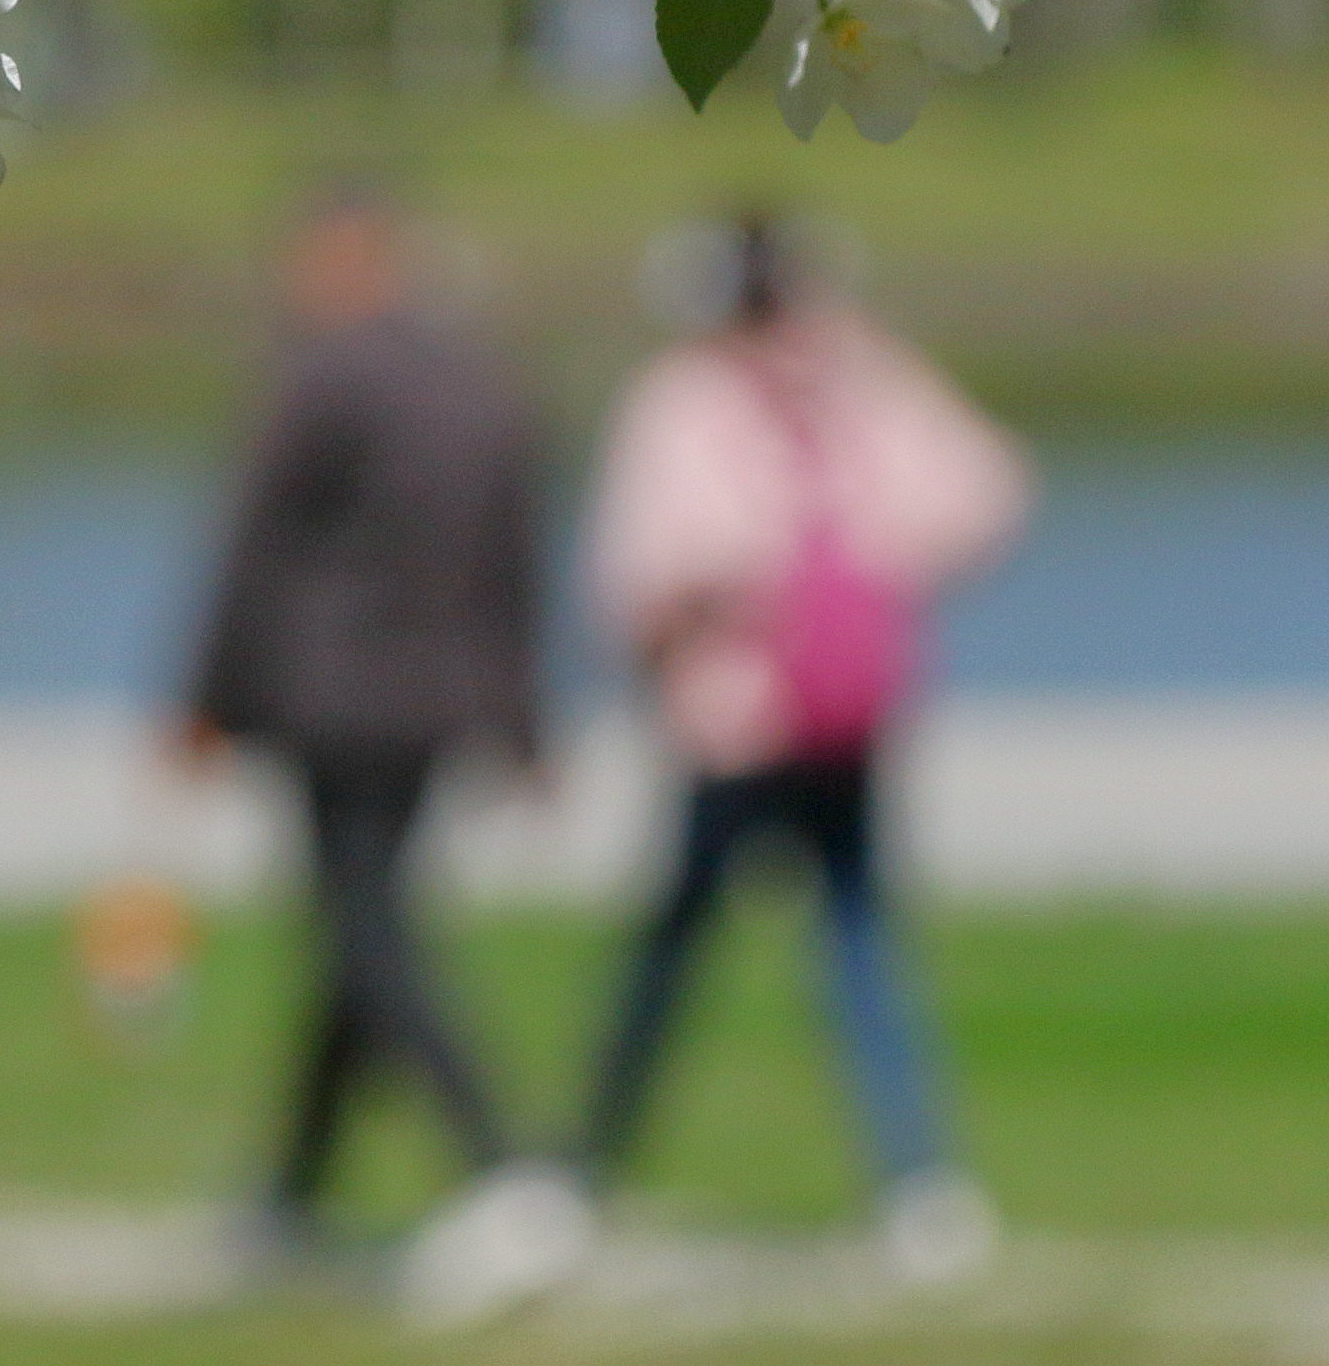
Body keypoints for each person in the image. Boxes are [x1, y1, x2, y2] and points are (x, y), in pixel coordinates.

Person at [414, 207, 1030, 1317]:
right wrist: (871, 579)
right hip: (845, 716)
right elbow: (979, 491)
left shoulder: (687, 395)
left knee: (669, 951)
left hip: (734, 721)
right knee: (855, 942)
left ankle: (586, 1167)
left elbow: (650, 564)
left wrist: (689, 626)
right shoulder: (861, 377)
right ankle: (920, 1184)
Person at [172, 184, 553, 1261]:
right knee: (354, 928)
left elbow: (250, 545)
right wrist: (524, 718)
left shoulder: (323, 374)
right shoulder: (482, 382)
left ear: (352, 256)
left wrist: (203, 699)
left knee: (366, 931)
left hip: (332, 696)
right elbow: (515, 568)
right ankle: (290, 1193)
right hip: (436, 701)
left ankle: (498, 1161)